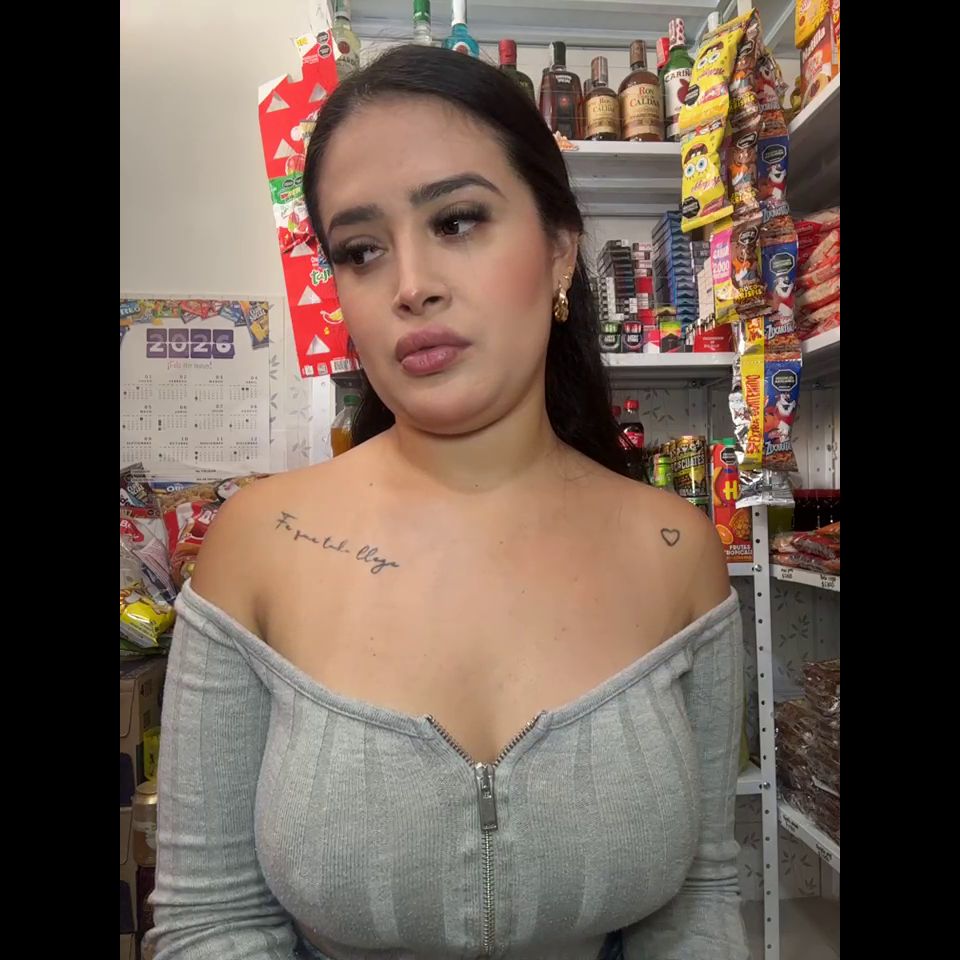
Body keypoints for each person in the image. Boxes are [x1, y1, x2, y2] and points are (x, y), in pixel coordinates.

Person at [147, 44, 747, 960]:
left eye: (458, 220)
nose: (411, 285)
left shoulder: (676, 552)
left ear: (559, 250)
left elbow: (698, 901)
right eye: (361, 250)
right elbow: (210, 921)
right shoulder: (258, 545)